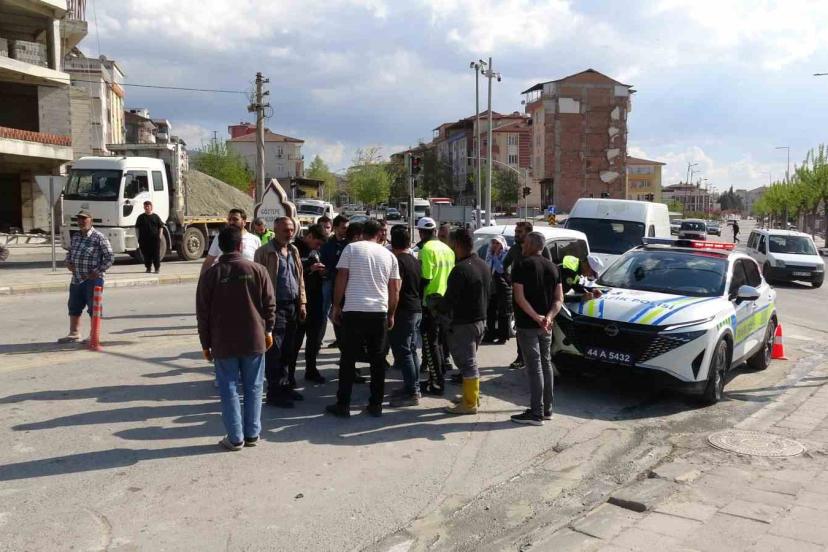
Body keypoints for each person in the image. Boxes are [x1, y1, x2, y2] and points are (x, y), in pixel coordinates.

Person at [197, 226, 276, 451]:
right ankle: (252, 433)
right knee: (254, 386)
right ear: (240, 245)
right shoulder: (258, 270)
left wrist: (205, 344)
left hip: (223, 341)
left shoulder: (211, 275)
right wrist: (268, 331)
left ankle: (235, 437)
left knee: (229, 388)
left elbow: (202, 313)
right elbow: (270, 305)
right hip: (254, 339)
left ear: (220, 246)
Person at [326, 220, 401, 418]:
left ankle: (343, 404)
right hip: (378, 312)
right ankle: (376, 404)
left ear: (362, 233)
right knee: (378, 360)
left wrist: (336, 306)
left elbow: (342, 278)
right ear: (379, 234)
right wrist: (391, 313)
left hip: (354, 310)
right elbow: (394, 289)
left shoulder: (351, 249)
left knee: (348, 358)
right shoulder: (389, 255)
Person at [511, 231, 563, 426]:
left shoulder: (521, 265)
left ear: (532, 245)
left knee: (534, 367)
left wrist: (536, 317)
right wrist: (548, 317)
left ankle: (536, 413)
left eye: (525, 243)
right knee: (546, 363)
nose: (523, 246)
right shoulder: (553, 267)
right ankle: (547, 409)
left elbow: (519, 297)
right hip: (546, 325)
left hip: (528, 324)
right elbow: (559, 299)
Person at [254, 217, 307, 408]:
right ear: (275, 230)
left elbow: (299, 278)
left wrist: (302, 303)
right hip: (275, 308)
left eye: (292, 229)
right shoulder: (264, 252)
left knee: (289, 350)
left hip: (293, 306)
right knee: (275, 351)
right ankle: (274, 393)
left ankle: (285, 387)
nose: (289, 233)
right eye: (285, 230)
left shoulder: (293, 250)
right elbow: (257, 283)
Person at [441, 228, 491, 415]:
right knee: (469, 361)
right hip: (480, 320)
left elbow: (449, 300)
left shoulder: (460, 269)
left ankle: (469, 404)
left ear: (456, 244)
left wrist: (437, 305)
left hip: (464, 323)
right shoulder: (482, 264)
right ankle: (471, 396)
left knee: (467, 363)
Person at [58, 210, 115, 343]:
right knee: (74, 306)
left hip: (93, 280)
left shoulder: (99, 237)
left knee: (93, 307)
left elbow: (110, 257)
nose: (81, 222)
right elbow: (70, 252)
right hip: (77, 278)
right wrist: (68, 262)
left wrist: (98, 271)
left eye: (84, 219)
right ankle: (74, 333)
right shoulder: (76, 236)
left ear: (91, 220)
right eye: (79, 219)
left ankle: (93, 335)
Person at [503, 221, 553, 370]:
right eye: (516, 231)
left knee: (540, 328)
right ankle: (521, 357)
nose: (516, 234)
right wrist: (510, 280)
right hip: (520, 296)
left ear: (528, 234)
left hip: (539, 296)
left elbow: (549, 269)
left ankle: (541, 360)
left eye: (519, 232)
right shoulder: (514, 249)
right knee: (522, 327)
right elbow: (504, 265)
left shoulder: (542, 249)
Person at [416, 217, 455, 396]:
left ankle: (437, 383)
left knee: (430, 344)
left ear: (421, 232)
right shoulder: (448, 249)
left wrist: (417, 295)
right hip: (446, 302)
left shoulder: (426, 250)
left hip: (430, 302)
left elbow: (426, 278)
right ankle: (436, 377)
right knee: (439, 342)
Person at [388, 226, 423, 407]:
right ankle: (413, 386)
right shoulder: (414, 260)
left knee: (404, 351)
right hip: (416, 309)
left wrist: (390, 313)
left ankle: (413, 392)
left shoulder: (398, 262)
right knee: (411, 350)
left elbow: (396, 289)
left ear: (392, 243)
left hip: (404, 311)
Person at [292, 224, 328, 384]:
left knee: (314, 339)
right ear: (310, 236)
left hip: (316, 300)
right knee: (295, 341)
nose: (318, 247)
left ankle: (311, 370)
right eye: (317, 243)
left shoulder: (317, 252)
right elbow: (291, 274)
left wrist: (323, 272)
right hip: (299, 301)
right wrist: (309, 269)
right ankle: (289, 375)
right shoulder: (294, 249)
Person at [320, 214, 349, 347]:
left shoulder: (349, 245)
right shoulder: (327, 244)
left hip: (345, 283)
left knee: (342, 311)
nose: (346, 230)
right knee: (325, 311)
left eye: (347, 228)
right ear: (335, 228)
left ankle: (342, 339)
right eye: (343, 228)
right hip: (329, 281)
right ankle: (319, 340)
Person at [484, 235, 512, 344]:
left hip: (503, 287)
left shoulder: (506, 253)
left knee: (503, 313)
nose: (495, 245)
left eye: (497, 243)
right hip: (492, 287)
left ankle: (502, 336)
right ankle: (490, 334)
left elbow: (500, 269)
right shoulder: (489, 253)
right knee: (490, 311)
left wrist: (495, 256)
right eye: (493, 243)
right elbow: (487, 268)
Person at [134, 200, 164, 273]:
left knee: (156, 254)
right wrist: (138, 237)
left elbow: (161, 227)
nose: (146, 208)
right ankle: (148, 268)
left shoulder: (155, 217)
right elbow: (137, 228)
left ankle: (157, 268)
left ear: (151, 207)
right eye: (145, 206)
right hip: (144, 240)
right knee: (146, 254)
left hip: (154, 239)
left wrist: (159, 237)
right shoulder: (141, 217)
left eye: (148, 206)